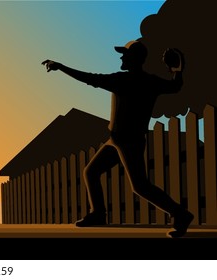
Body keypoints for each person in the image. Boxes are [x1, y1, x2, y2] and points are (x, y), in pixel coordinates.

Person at [42, 39, 193, 238]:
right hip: (118, 141)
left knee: (140, 186)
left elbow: (90, 78)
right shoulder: (151, 81)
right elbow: (175, 87)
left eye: (125, 54)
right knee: (91, 171)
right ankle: (98, 214)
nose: (122, 57)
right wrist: (177, 70)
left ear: (134, 58)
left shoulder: (123, 81)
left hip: (128, 141)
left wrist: (60, 67)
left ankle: (181, 214)